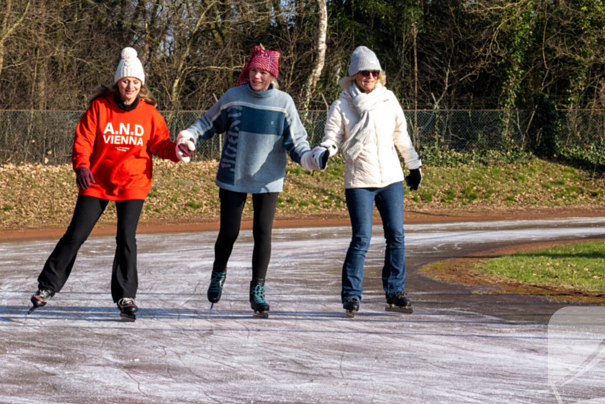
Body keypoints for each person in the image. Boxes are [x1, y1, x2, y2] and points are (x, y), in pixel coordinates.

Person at [29, 47, 188, 321]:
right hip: (97, 181)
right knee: (76, 234)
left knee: (126, 238)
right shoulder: (99, 108)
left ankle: (126, 295)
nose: (131, 86)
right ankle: (47, 286)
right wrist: (81, 166)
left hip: (133, 182)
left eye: (136, 82)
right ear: (118, 82)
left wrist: (177, 152)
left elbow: (160, 144)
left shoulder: (150, 114)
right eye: (126, 81)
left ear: (141, 86)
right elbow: (83, 141)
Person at [176, 44, 324, 318]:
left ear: (272, 76)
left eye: (263, 72)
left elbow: (297, 142)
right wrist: (190, 136)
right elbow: (208, 123)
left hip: (268, 180)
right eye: (254, 70)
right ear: (248, 70)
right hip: (233, 176)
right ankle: (218, 273)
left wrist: (309, 158)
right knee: (229, 233)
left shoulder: (284, 103)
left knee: (262, 233)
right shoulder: (234, 97)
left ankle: (258, 289)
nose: (257, 76)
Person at [318, 46, 422, 317]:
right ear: (354, 74)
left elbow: (401, 134)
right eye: (365, 72)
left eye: (374, 72)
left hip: (390, 178)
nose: (370, 76)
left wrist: (413, 165)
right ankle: (351, 295)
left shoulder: (388, 100)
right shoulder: (342, 104)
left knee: (396, 236)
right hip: (359, 180)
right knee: (361, 238)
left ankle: (395, 291)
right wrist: (324, 152)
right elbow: (332, 137)